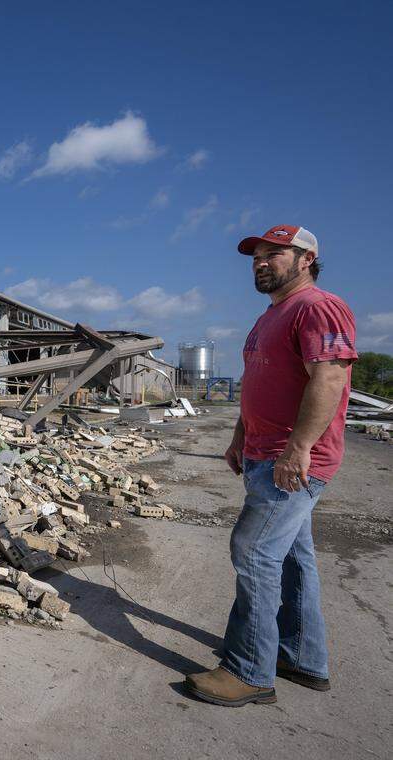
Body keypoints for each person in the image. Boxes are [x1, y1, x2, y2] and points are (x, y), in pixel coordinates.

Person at [185, 225, 356, 707]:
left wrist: (298, 448)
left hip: (293, 461)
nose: (261, 262)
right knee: (293, 557)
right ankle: (301, 656)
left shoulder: (319, 306)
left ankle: (248, 671)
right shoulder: (271, 316)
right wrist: (241, 437)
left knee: (254, 550)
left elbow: (330, 378)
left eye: (274, 254)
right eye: (256, 255)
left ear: (306, 259)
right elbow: (258, 383)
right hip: (266, 454)